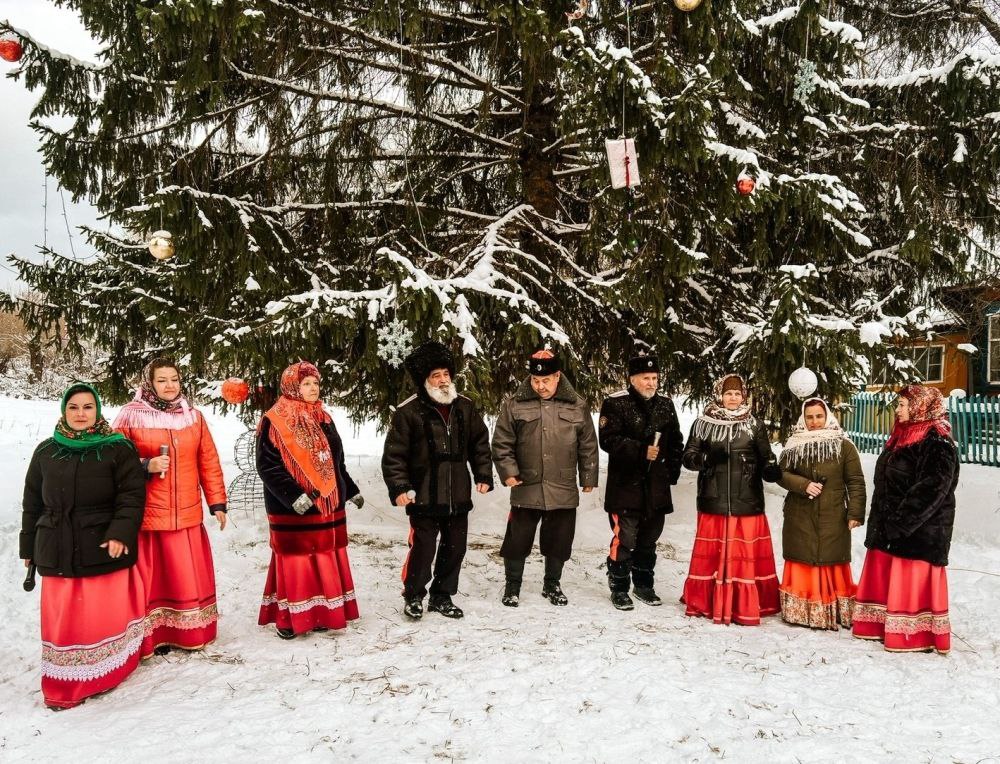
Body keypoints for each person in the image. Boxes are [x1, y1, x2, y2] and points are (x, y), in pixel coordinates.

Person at [20, 383, 146, 709]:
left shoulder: (118, 449)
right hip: (54, 544)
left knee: (99, 613)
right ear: (64, 410)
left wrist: (120, 533)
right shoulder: (46, 450)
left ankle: (104, 673)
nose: (80, 414)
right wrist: (29, 547)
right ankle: (64, 683)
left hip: (100, 543)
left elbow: (131, 497)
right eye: (73, 407)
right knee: (64, 616)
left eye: (87, 407)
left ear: (98, 410)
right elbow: (32, 502)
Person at [113, 358, 227, 656]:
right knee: (155, 580)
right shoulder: (129, 416)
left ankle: (188, 633)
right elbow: (112, 461)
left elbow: (208, 461)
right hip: (149, 514)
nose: (169, 385)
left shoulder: (192, 417)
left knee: (183, 576)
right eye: (162, 380)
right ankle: (153, 636)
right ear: (149, 382)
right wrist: (145, 465)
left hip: (186, 512)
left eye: (174, 379)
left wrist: (217, 502)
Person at [382, 341, 493, 620]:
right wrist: (399, 487)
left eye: (446, 373)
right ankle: (414, 595)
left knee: (455, 547)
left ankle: (442, 596)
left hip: (457, 493)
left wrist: (483, 474)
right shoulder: (408, 412)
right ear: (424, 380)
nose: (443, 381)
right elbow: (395, 455)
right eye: (436, 375)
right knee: (423, 548)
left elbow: (480, 443)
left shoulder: (465, 407)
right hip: (422, 495)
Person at [256, 361, 362, 638]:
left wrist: (349, 489)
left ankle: (325, 613)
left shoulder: (324, 418)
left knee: (325, 557)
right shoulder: (274, 419)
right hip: (291, 506)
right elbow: (267, 466)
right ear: (292, 385)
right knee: (298, 560)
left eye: (315, 383)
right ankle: (291, 618)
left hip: (328, 502)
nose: (312, 388)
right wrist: (295, 497)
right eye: (306, 384)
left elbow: (336, 462)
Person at [852, 384, 958, 654]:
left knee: (908, 581)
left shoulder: (937, 441)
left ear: (919, 406)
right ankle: (881, 625)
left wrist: (900, 523)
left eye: (902, 405)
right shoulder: (902, 435)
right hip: (890, 526)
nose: (898, 410)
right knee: (888, 576)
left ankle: (913, 635)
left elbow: (933, 488)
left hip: (918, 531)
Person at [492, 350, 599, 607]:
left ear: (557, 377)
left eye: (546, 380)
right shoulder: (514, 404)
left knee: (559, 540)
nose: (540, 386)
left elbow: (588, 445)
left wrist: (588, 476)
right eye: (535, 381)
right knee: (517, 540)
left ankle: (552, 584)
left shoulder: (577, 405)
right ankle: (512, 586)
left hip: (562, 485)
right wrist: (508, 472)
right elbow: (502, 442)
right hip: (526, 484)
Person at [680, 373, 782, 625]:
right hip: (713, 499)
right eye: (728, 393)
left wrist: (770, 469)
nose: (733, 398)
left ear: (744, 396)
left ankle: (744, 603)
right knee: (713, 555)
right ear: (719, 395)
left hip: (746, 500)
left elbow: (765, 456)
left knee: (743, 555)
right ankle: (708, 600)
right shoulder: (703, 424)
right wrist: (705, 460)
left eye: (737, 393)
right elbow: (688, 456)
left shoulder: (753, 424)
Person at [599, 354, 684, 610]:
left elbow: (676, 441)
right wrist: (640, 450)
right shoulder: (616, 404)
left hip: (656, 487)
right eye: (646, 378)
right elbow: (608, 440)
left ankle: (644, 585)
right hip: (625, 486)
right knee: (625, 537)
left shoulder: (665, 405)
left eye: (655, 378)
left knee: (649, 538)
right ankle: (620, 587)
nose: (651, 383)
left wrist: (671, 472)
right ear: (632, 379)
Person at [777, 398, 866, 630]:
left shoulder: (843, 445)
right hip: (800, 514)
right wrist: (803, 484)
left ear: (827, 416)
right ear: (803, 419)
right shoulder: (794, 444)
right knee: (802, 556)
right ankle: (802, 612)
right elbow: (780, 473)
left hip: (833, 514)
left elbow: (855, 481)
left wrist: (854, 512)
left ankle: (833, 609)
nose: (814, 421)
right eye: (809, 417)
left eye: (818, 416)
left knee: (831, 557)